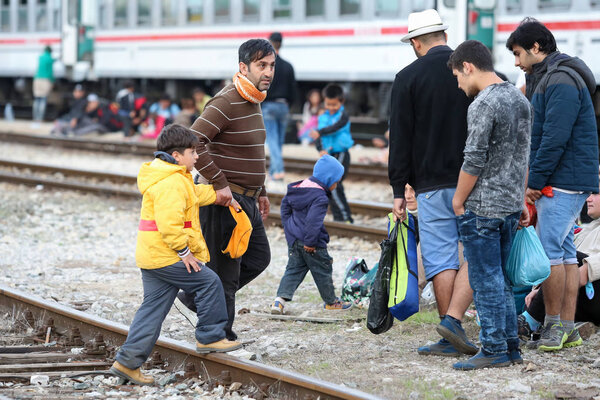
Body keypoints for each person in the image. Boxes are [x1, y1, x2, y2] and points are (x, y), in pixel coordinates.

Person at [109, 124, 242, 386]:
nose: (197, 157)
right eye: (193, 152)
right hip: (166, 255)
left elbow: (193, 195)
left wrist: (221, 197)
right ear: (178, 155)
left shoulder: (172, 177)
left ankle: (127, 363)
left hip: (152, 256)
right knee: (209, 281)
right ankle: (209, 336)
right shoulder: (171, 182)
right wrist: (184, 253)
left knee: (152, 311)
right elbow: (169, 224)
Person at [506, 18, 599, 351]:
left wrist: (533, 182)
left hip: (563, 178)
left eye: (518, 53)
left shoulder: (559, 80)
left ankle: (554, 326)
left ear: (535, 48)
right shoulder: (547, 77)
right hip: (567, 176)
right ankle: (568, 328)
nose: (516, 62)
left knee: (551, 253)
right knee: (565, 253)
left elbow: (553, 138)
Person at [175, 39, 275, 341]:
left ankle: (197, 298)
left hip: (248, 197)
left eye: (271, 65)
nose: (268, 72)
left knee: (259, 258)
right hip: (225, 200)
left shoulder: (253, 99)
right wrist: (219, 183)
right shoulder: (227, 101)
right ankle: (218, 336)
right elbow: (193, 140)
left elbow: (251, 152)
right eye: (261, 65)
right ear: (243, 67)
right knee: (226, 274)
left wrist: (262, 191)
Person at [388, 9, 475, 357]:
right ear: (443, 35)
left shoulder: (407, 77)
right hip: (474, 181)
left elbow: (401, 138)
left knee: (440, 258)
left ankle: (449, 330)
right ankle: (454, 325)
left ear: (416, 42)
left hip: (430, 184)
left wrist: (399, 188)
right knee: (475, 251)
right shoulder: (474, 71)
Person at [447, 40, 532, 370]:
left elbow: (474, 158)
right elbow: (523, 155)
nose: (459, 84)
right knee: (503, 279)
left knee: (485, 279)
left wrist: (457, 199)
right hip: (510, 204)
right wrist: (521, 198)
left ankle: (494, 346)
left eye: (457, 76)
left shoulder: (483, 103)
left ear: (468, 66)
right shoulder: (518, 99)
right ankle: (510, 346)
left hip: (483, 206)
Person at [270, 155, 353, 314]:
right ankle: (331, 302)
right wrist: (310, 242)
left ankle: (279, 302)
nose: (337, 184)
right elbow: (313, 222)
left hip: (294, 240)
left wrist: (289, 228)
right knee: (323, 271)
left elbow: (284, 207)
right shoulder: (320, 197)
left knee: (293, 270)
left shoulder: (299, 188)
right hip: (312, 244)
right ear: (329, 179)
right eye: (337, 181)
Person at [520, 189, 600, 341]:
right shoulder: (586, 230)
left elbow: (581, 276)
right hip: (580, 297)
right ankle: (534, 323)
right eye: (588, 194)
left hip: (594, 296)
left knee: (570, 258)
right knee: (561, 253)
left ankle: (528, 322)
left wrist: (547, 291)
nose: (588, 199)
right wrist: (540, 290)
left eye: (596, 194)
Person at [309, 84, 354, 223]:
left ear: (341, 102)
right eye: (328, 104)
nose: (331, 107)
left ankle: (346, 218)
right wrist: (320, 149)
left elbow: (335, 128)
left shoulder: (343, 115)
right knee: (329, 186)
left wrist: (319, 132)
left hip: (341, 154)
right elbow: (318, 136)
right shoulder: (323, 116)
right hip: (329, 155)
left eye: (335, 104)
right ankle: (338, 218)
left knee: (335, 184)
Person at [263, 31, 297, 181]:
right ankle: (273, 171)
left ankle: (279, 171)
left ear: (269, 42)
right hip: (283, 106)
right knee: (278, 141)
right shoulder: (288, 66)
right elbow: (293, 90)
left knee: (272, 140)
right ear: (281, 44)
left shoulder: (267, 65)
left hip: (269, 105)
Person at [32, 46, 54, 123]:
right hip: (45, 80)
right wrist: (52, 81)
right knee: (43, 100)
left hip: (37, 79)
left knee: (37, 99)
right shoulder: (50, 59)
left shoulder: (40, 57)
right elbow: (50, 72)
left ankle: (35, 117)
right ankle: (40, 118)